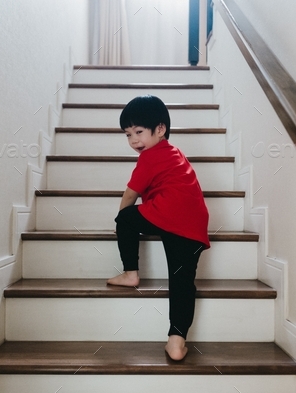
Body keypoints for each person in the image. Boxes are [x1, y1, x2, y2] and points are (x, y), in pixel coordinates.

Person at [107, 95, 210, 361]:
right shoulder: (176, 154)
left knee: (126, 217)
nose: (133, 141)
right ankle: (176, 342)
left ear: (160, 129)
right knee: (182, 282)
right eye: (128, 135)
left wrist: (121, 224)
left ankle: (131, 273)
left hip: (167, 213)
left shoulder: (150, 157)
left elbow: (130, 195)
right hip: (194, 224)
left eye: (139, 132)